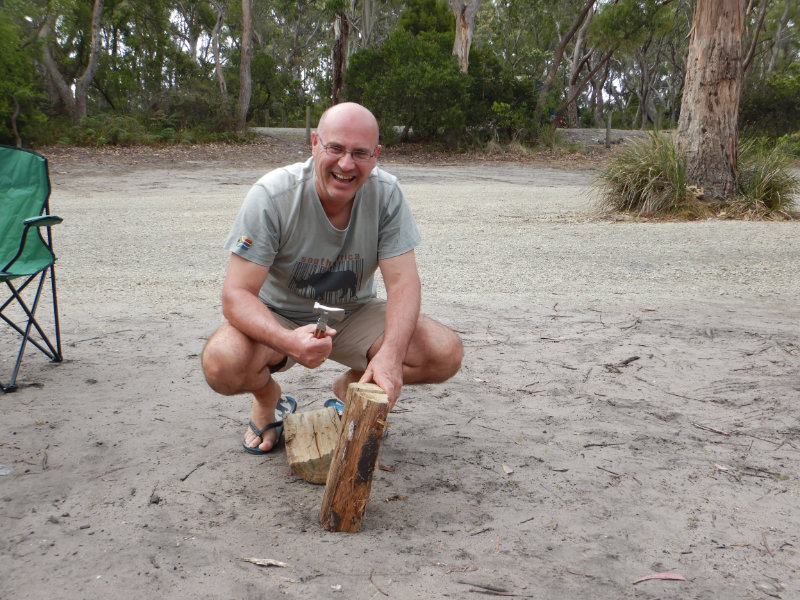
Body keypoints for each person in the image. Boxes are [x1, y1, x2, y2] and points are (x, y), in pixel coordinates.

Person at [202, 102, 463, 454]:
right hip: (282, 314)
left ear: (376, 155)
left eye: (360, 153)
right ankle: (268, 400)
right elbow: (236, 294)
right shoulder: (273, 196)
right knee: (222, 363)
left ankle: (351, 390)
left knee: (443, 353)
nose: (346, 164)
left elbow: (403, 283)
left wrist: (390, 355)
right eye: (335, 148)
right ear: (314, 143)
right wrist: (286, 340)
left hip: (353, 312)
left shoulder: (386, 194)